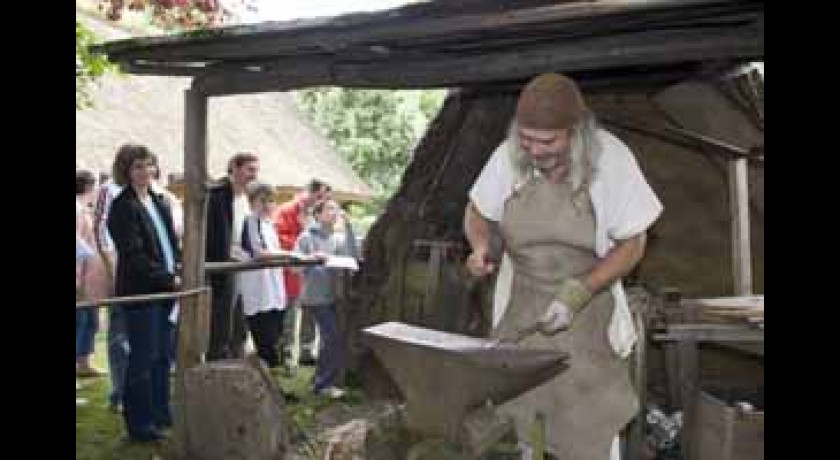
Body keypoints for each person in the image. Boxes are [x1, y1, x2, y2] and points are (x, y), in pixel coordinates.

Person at [464, 73, 663, 459]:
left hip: (590, 309)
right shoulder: (508, 156)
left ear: (576, 131)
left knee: (588, 422)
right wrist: (480, 246)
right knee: (521, 422)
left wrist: (580, 292)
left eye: (547, 141)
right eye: (527, 139)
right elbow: (476, 210)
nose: (535, 151)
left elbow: (633, 243)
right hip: (521, 309)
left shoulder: (611, 158)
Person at [107, 144, 181, 442]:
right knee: (143, 358)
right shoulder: (122, 207)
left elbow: (170, 245)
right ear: (125, 170)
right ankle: (139, 425)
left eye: (148, 165)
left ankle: (161, 413)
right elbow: (134, 257)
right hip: (142, 293)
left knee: (163, 356)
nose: (144, 172)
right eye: (137, 166)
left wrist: (178, 268)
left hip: (165, 290)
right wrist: (169, 279)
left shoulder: (159, 201)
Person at [294, 199, 358, 399]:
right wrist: (313, 258)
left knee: (328, 339)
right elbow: (294, 266)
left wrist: (348, 226)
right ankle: (323, 385)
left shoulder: (337, 238)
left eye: (336, 209)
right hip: (314, 297)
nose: (334, 212)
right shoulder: (306, 237)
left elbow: (352, 255)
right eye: (329, 209)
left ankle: (318, 380)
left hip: (331, 296)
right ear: (318, 215)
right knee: (332, 339)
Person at [205, 153, 259, 361]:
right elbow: (213, 234)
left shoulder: (243, 197)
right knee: (221, 321)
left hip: (239, 263)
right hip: (221, 266)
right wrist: (225, 258)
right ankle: (217, 364)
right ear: (234, 168)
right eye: (250, 169)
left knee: (238, 321)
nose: (253, 175)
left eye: (256, 170)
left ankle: (236, 361)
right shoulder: (218, 193)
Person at [275, 179, 331, 367]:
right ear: (308, 191)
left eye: (324, 197)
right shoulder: (286, 210)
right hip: (290, 272)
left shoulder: (313, 215)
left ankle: (306, 351)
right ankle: (286, 353)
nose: (321, 200)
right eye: (319, 195)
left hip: (310, 275)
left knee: (310, 313)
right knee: (289, 315)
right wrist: (302, 245)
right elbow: (278, 238)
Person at [239, 181, 288, 370]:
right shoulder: (251, 221)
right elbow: (259, 252)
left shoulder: (269, 225)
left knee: (275, 340)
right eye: (263, 201)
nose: (268, 205)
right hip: (258, 292)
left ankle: (273, 387)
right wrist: (290, 255)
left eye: (271, 201)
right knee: (265, 343)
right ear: (252, 202)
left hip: (274, 290)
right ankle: (267, 389)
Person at [76, 169, 106, 378]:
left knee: (90, 321)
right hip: (82, 277)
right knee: (82, 321)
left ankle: (84, 362)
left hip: (90, 278)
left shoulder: (84, 209)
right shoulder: (78, 211)